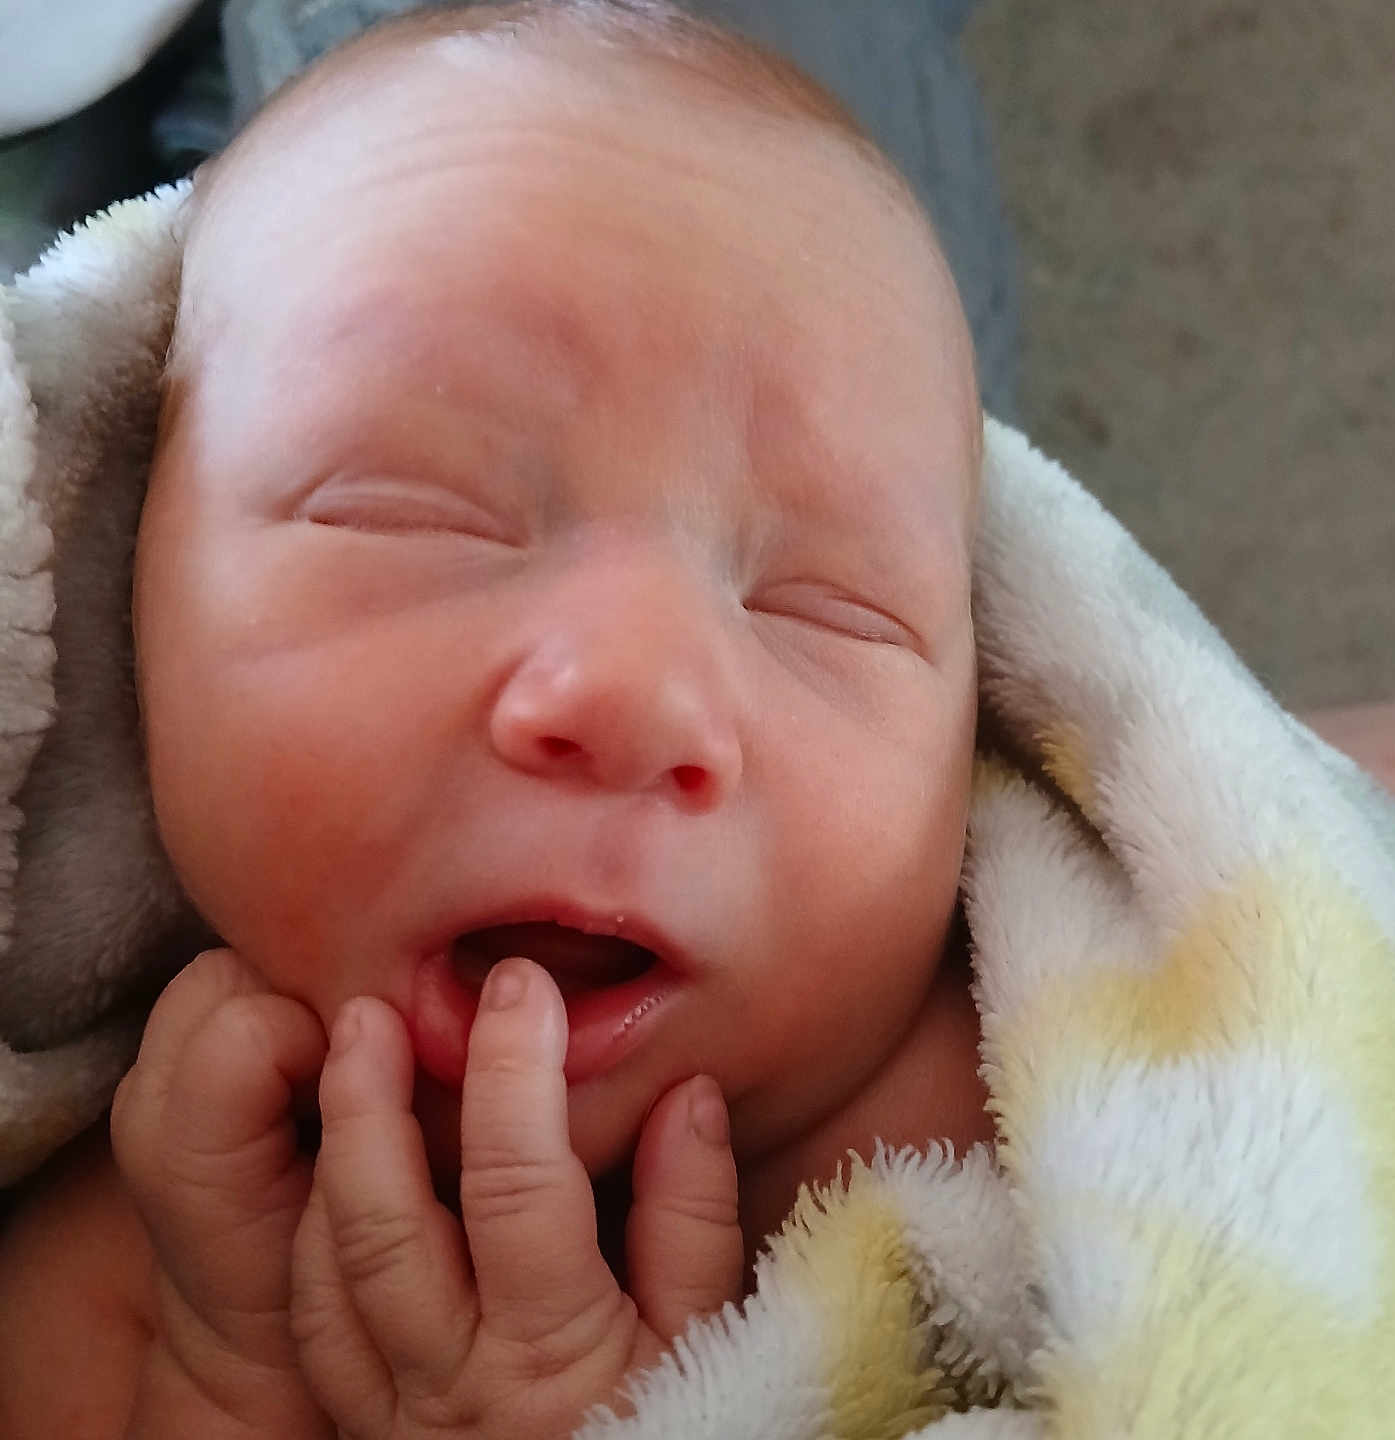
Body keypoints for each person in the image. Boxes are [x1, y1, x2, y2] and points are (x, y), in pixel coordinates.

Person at [0, 3, 992, 1435]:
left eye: (827, 606)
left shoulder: (1033, 1125)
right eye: (416, 515)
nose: (631, 691)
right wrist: (223, 1370)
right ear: (122, 592)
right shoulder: (162, 1225)